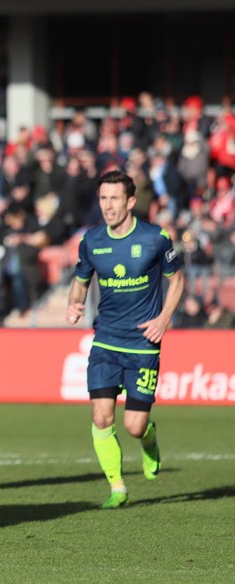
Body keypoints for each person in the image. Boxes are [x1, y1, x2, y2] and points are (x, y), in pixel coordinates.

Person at [66, 170, 184, 508]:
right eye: (103, 198)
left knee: (134, 426)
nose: (108, 205)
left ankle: (150, 441)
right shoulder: (91, 241)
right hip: (105, 341)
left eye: (114, 198)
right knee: (101, 417)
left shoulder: (156, 238)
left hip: (143, 344)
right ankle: (117, 488)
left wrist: (164, 319)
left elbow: (176, 282)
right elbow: (80, 281)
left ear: (131, 202)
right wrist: (74, 302)